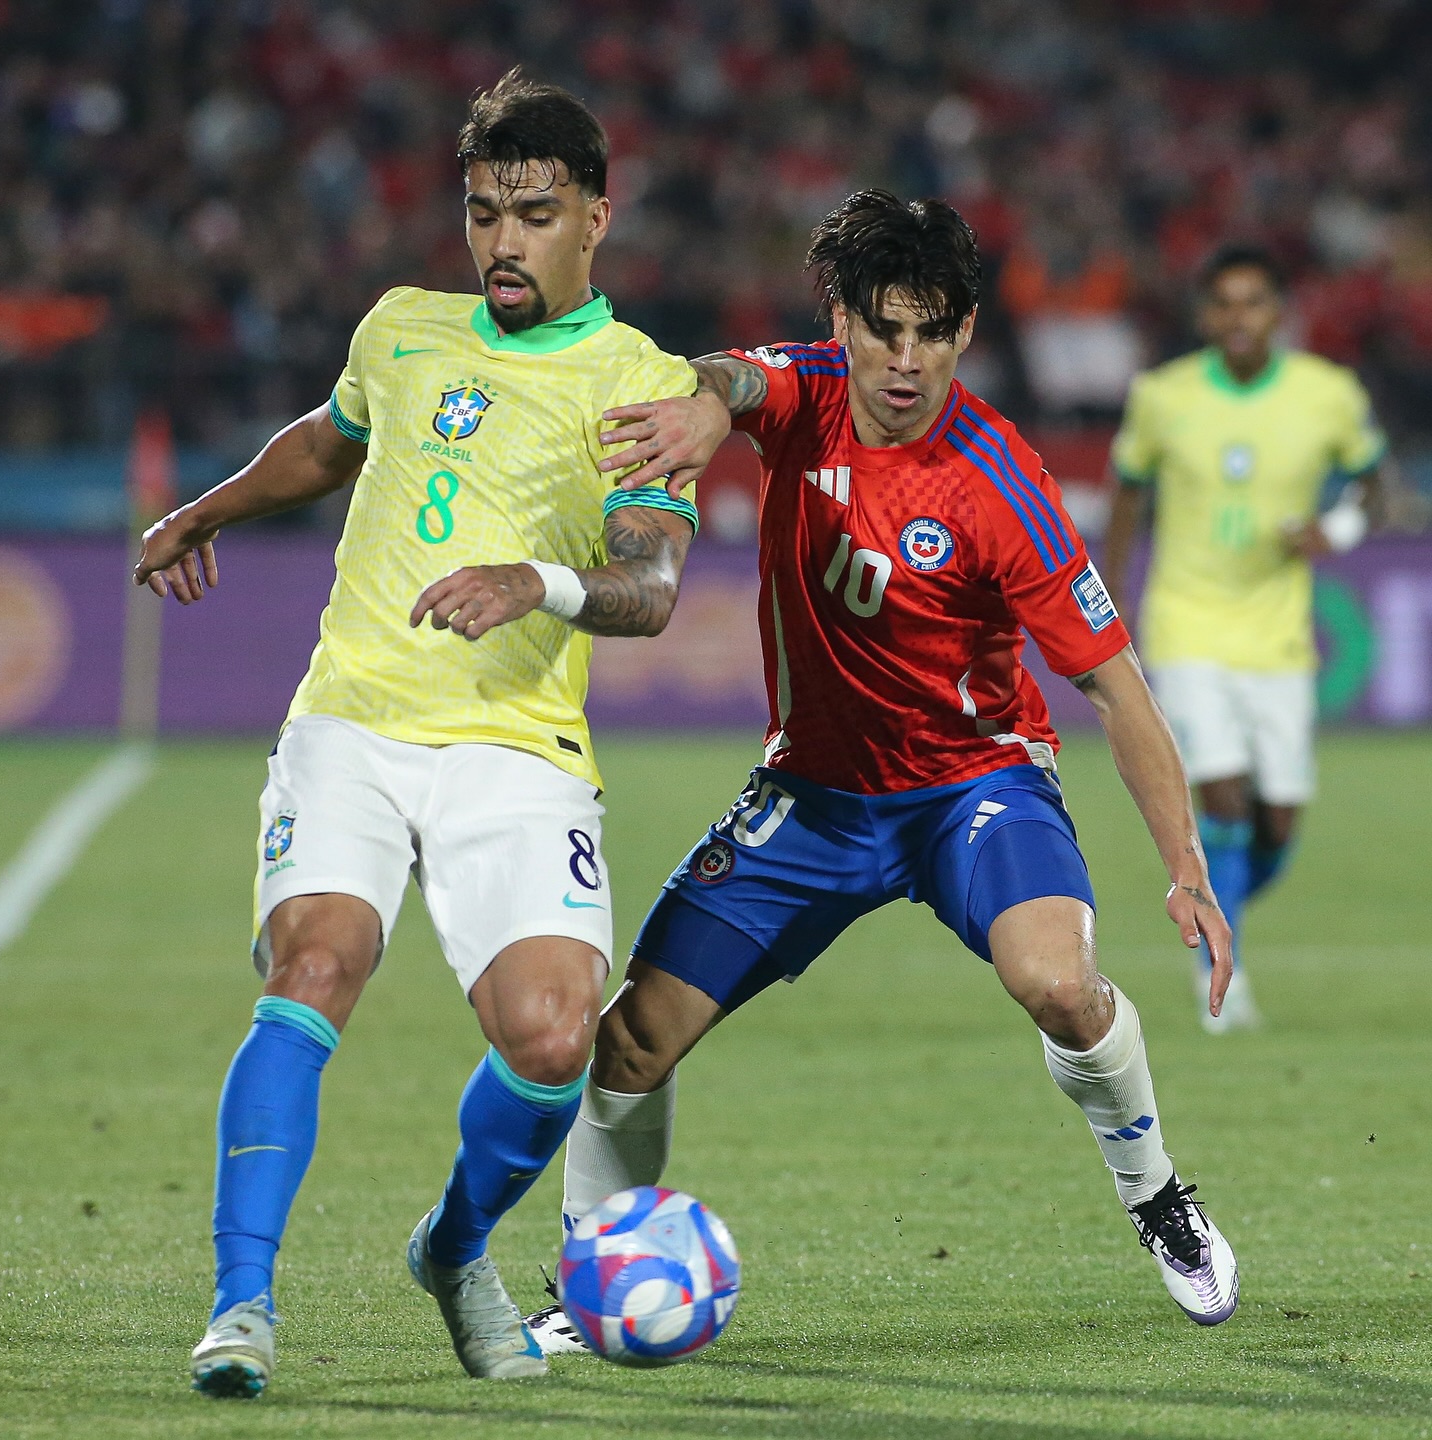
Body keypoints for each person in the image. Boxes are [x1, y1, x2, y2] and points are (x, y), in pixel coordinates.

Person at [523, 190, 1240, 1356]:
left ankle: (1156, 1193)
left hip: (976, 786)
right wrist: (706, 408)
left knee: (1059, 985)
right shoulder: (808, 393)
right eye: (882, 328)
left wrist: (1187, 869)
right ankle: (593, 1278)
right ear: (843, 320)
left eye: (933, 332)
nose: (905, 362)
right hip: (812, 796)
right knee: (629, 1044)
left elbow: (1118, 690)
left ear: (964, 333)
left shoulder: (1001, 486)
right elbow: (735, 375)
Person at [133, 70, 703, 1397]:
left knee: (558, 1040)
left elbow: (657, 586)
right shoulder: (403, 328)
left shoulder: (642, 385)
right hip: (355, 719)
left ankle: (452, 1250)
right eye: (483, 211)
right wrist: (208, 511)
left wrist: (536, 583)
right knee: (316, 965)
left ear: (595, 220)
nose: (503, 240)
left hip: (518, 748)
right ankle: (241, 1307)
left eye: (535, 213)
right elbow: (331, 443)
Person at [1101, 244, 1388, 1033]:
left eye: (1253, 302)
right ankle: (1216, 983)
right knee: (1222, 795)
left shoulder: (1325, 394)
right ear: (1204, 315)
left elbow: (1377, 482)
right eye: (1222, 303)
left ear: (1278, 312)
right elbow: (1127, 493)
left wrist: (1335, 527)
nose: (1237, 317)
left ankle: (1205, 912)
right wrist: (1109, 598)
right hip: (1188, 622)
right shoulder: (1165, 395)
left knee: (1279, 821)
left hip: (1279, 637)